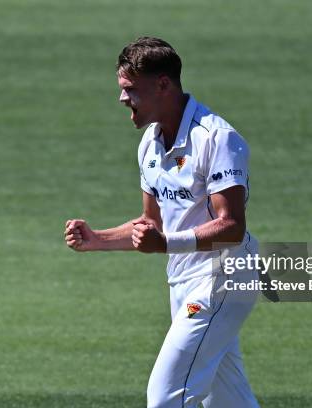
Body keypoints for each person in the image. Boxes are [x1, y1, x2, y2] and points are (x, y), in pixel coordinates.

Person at [64, 36, 261, 408]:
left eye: (130, 89)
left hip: (224, 277)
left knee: (167, 396)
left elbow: (231, 225)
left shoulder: (217, 138)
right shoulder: (150, 143)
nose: (123, 99)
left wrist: (167, 244)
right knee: (227, 400)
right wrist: (98, 239)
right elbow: (150, 225)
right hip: (184, 281)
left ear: (163, 85)